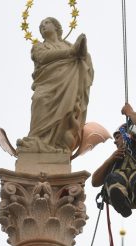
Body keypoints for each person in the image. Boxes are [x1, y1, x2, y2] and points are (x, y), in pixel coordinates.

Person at [16, 17, 94, 154]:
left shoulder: (69, 45)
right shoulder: (39, 46)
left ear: (56, 27)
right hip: (47, 82)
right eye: (41, 25)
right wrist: (72, 52)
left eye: (46, 23)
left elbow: (83, 60)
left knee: (66, 112)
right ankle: (36, 140)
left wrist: (83, 50)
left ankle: (57, 144)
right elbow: (42, 57)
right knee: (39, 100)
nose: (43, 26)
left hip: (68, 84)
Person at [92, 103, 136, 217]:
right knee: (114, 177)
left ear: (129, 134)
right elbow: (95, 181)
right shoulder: (115, 160)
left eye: (118, 137)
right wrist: (111, 159)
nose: (115, 141)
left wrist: (130, 112)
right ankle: (122, 201)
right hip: (123, 195)